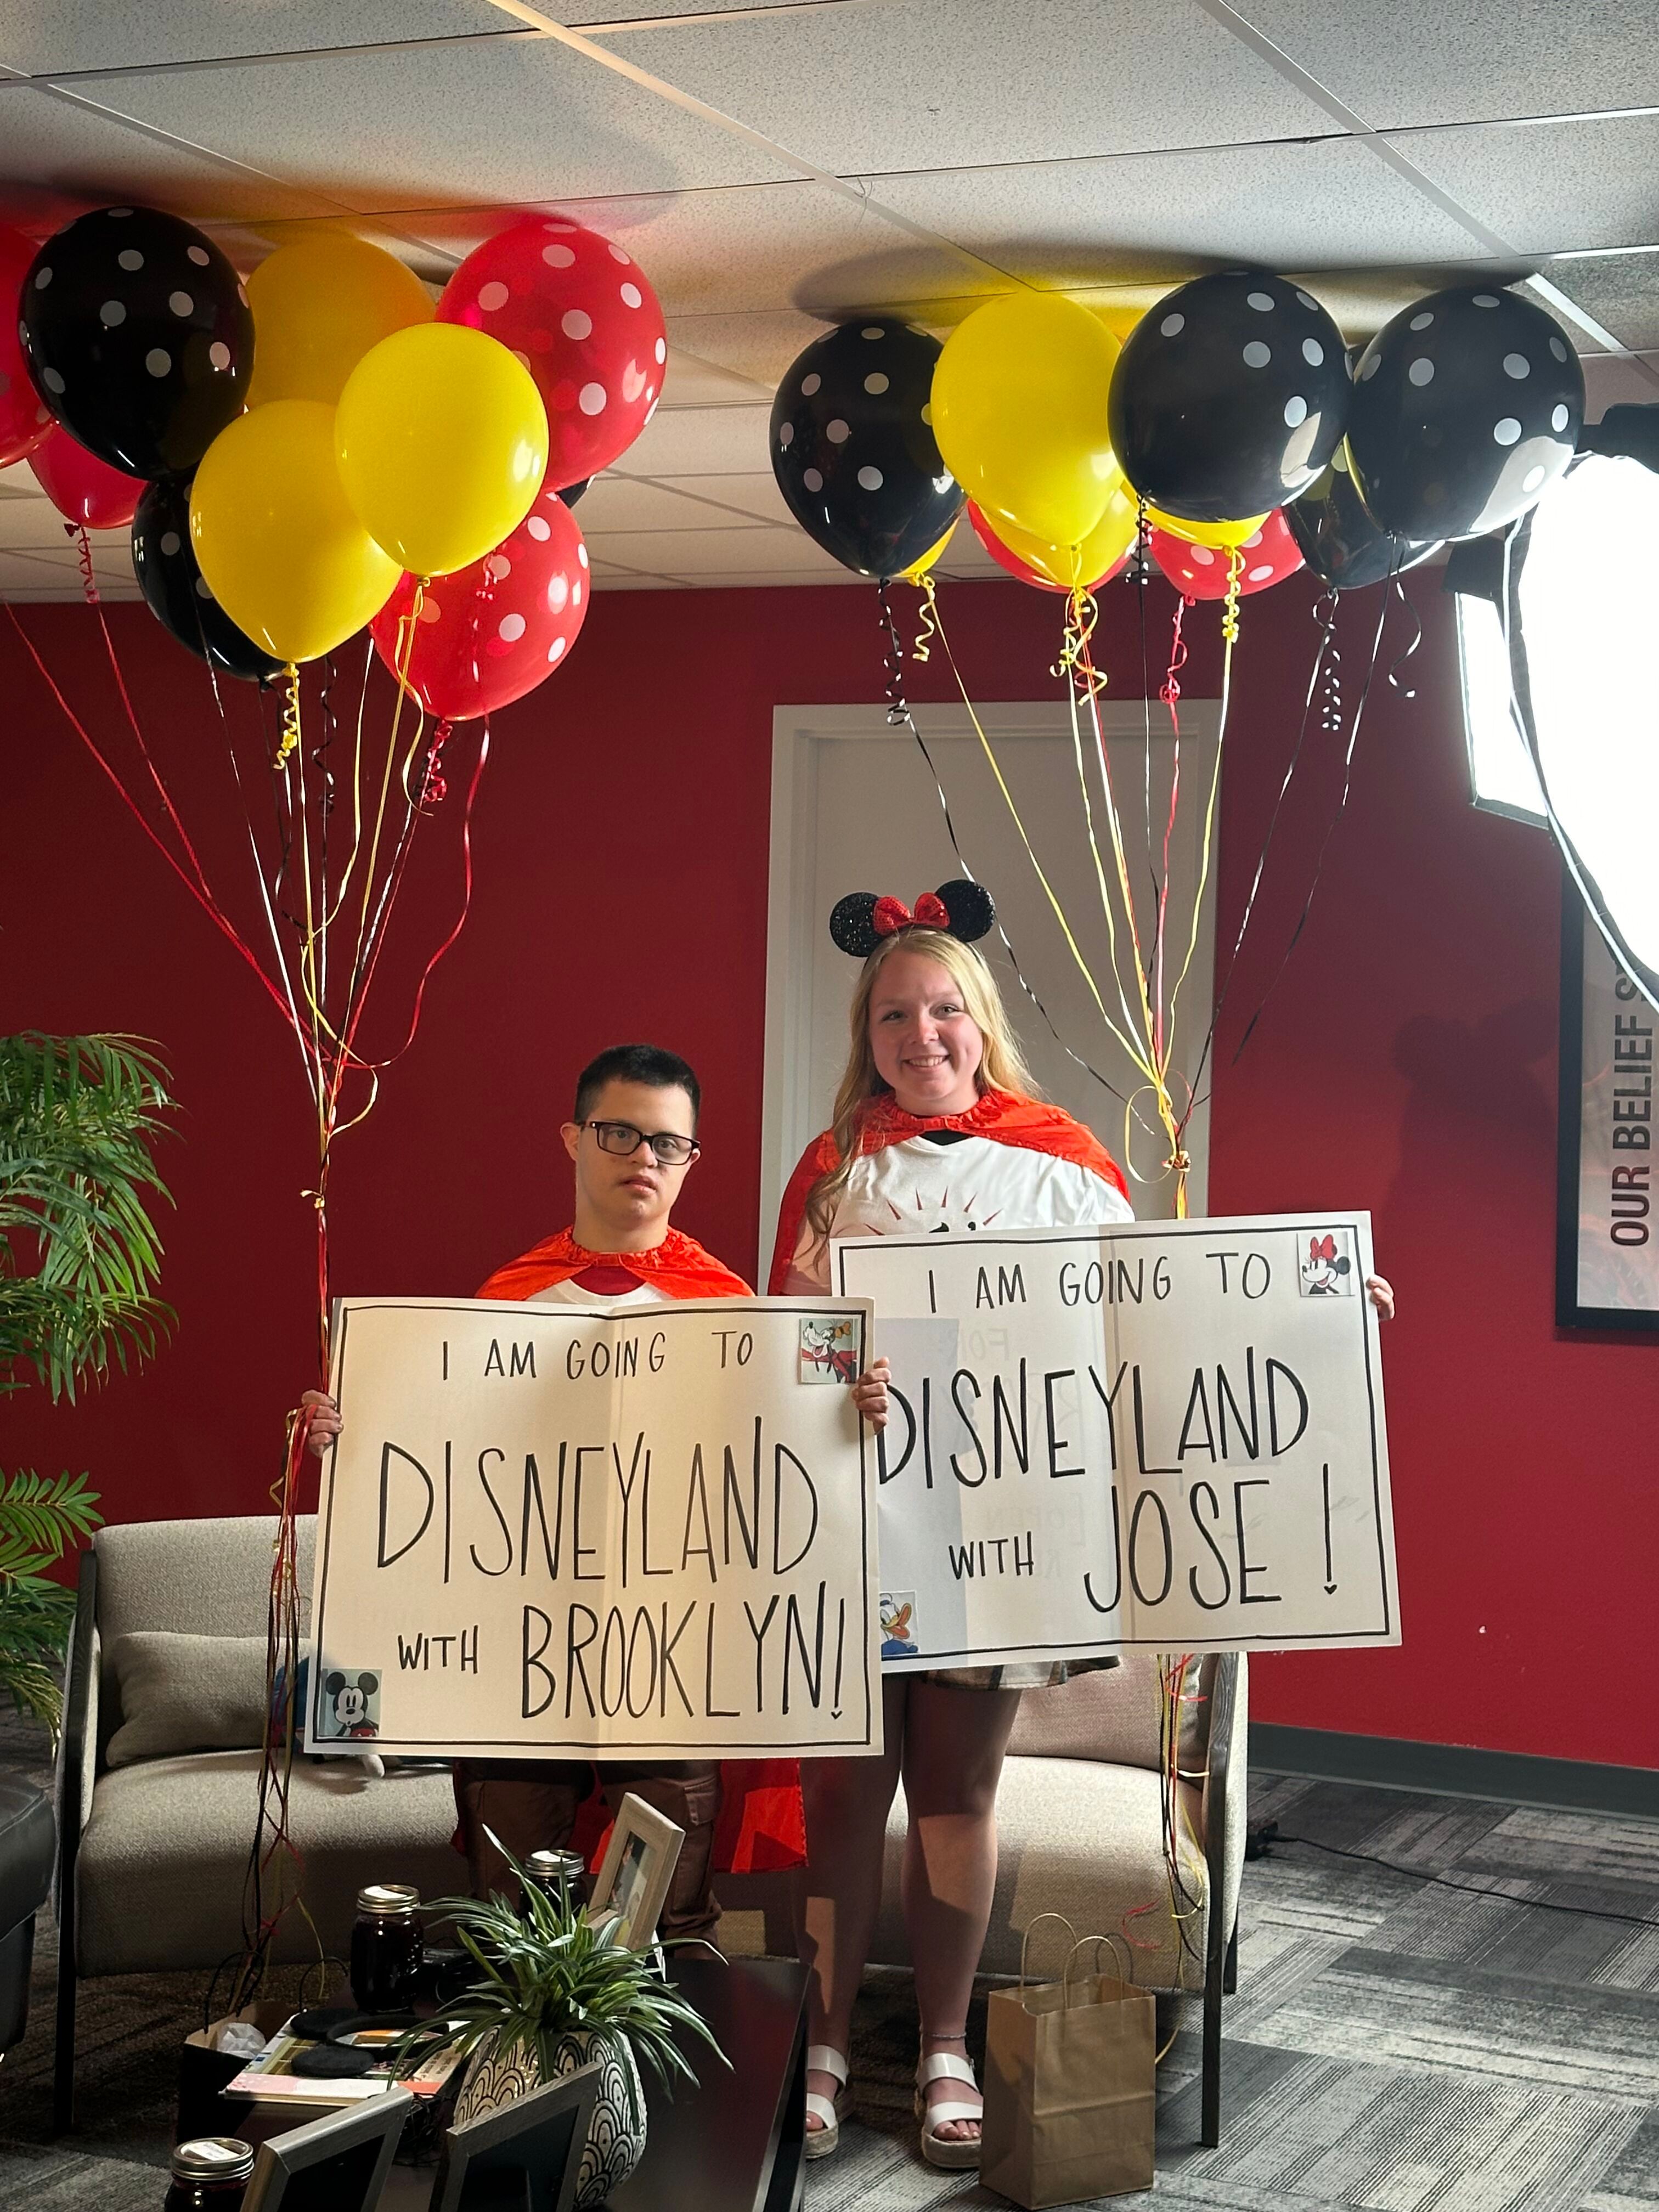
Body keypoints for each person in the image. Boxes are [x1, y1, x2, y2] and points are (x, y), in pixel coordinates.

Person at [771, 881, 1395, 2169]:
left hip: (1002, 1528)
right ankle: (823, 2041)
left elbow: (1155, 1326)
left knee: (957, 1791)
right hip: (861, 1525)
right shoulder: (833, 1170)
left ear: (981, 1018)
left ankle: (943, 2042)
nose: (921, 1034)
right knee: (841, 1792)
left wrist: (1316, 1316)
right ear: (866, 1033)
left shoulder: (1066, 1160)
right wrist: (837, 1375)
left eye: (944, 1009)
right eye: (895, 1015)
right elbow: (780, 1353)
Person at [304, 1041, 844, 1938]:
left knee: (664, 1911)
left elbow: (779, 1483)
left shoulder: (727, 1309)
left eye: (667, 1144)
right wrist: (347, 1437)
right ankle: (515, 2076)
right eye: (619, 1133)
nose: (643, 1159)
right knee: (509, 1901)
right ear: (573, 1139)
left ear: (690, 1161)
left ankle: (651, 2084)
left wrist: (848, 1413)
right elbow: (440, 1481)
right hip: (520, 1657)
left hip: (670, 1657)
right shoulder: (502, 1307)